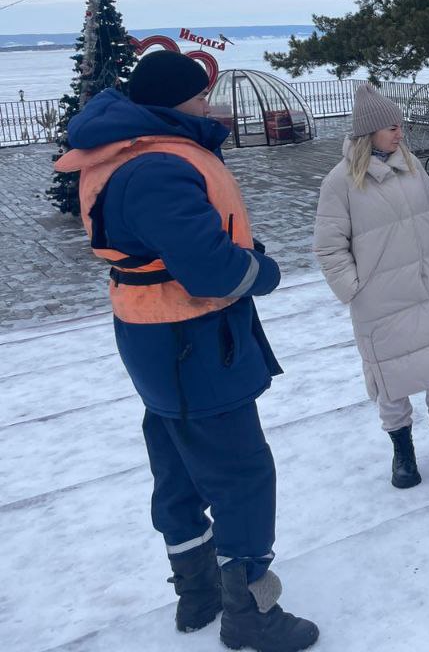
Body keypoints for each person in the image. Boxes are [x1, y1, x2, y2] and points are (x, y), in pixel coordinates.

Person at [53, 50, 318, 652]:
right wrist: (261, 268)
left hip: (158, 340)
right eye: (200, 97)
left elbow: (180, 240)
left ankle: (197, 592)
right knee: (242, 473)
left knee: (176, 467)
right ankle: (250, 607)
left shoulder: (132, 153)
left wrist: (234, 244)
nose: (209, 105)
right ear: (173, 103)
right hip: (192, 341)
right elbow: (208, 271)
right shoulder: (156, 167)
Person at [313, 83, 429, 490]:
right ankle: (403, 453)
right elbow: (328, 247)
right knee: (392, 380)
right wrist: (356, 289)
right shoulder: (340, 182)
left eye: (399, 124)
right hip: (382, 300)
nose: (399, 132)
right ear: (367, 132)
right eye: (390, 126)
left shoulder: (411, 164)